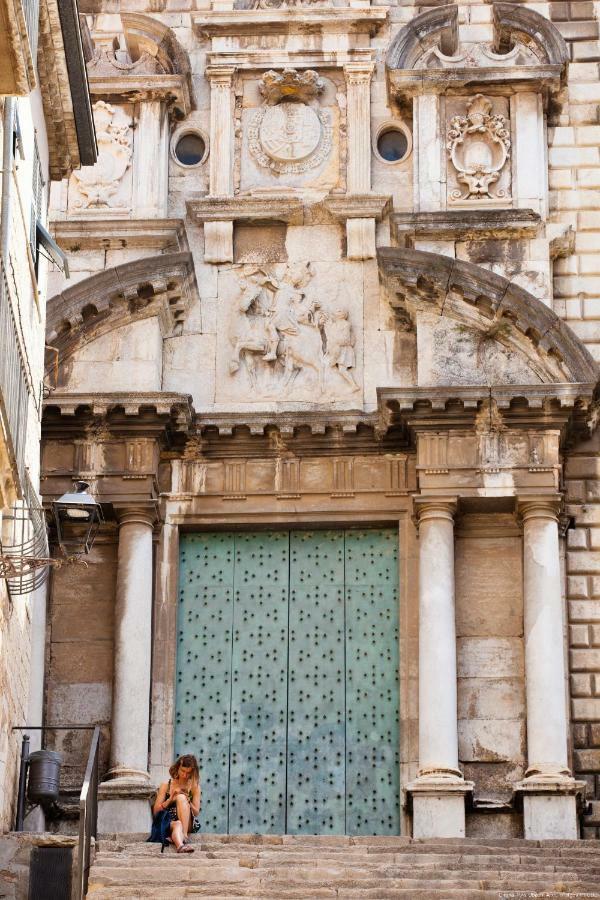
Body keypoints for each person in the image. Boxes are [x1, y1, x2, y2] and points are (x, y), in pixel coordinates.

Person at [147, 754, 201, 853]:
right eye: (182, 771)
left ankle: (184, 835)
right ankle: (180, 846)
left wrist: (187, 801)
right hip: (169, 821)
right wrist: (171, 798)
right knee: (178, 824)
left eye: (188, 773)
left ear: (192, 772)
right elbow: (155, 812)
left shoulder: (194, 787)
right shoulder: (166, 785)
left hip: (188, 821)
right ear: (177, 768)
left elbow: (196, 812)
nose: (185, 775)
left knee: (181, 798)